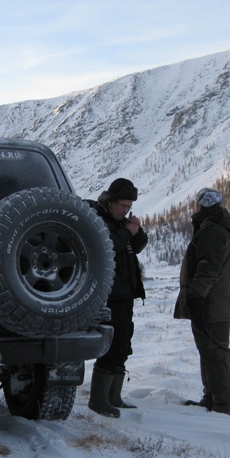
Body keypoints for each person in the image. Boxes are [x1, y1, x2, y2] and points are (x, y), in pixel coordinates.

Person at [174, 187, 230, 415]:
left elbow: (208, 269)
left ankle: (222, 405)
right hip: (217, 301)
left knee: (216, 352)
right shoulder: (219, 227)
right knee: (210, 351)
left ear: (202, 206)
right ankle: (212, 398)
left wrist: (196, 297)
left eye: (197, 205)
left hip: (211, 303)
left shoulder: (211, 231)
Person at [87, 177, 148, 418]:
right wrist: (126, 231)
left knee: (124, 343)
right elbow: (106, 247)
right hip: (109, 296)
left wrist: (135, 229)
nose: (126, 210)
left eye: (129, 207)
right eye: (123, 206)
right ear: (111, 201)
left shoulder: (120, 223)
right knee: (113, 345)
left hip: (125, 294)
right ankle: (99, 400)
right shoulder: (98, 220)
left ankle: (114, 396)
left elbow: (139, 244)